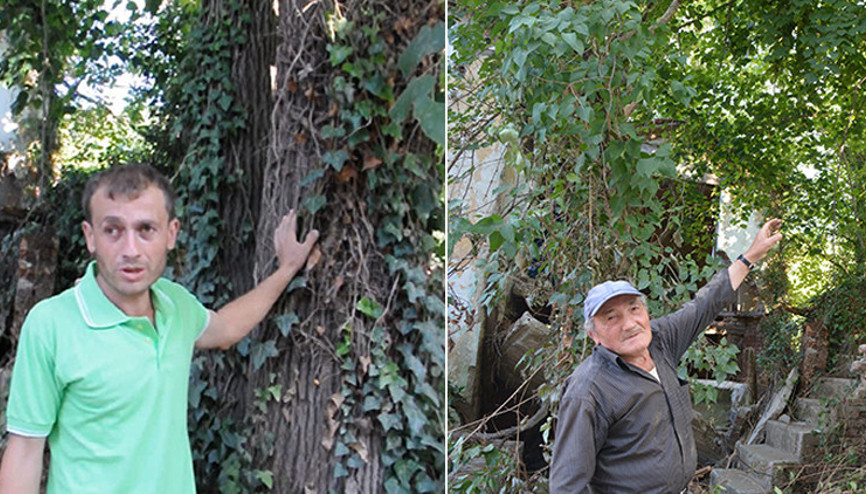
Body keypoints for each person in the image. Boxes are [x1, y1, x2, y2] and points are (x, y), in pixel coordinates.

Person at [0, 163, 319, 493]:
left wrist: (288, 269)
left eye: (146, 229)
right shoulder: (51, 324)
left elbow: (225, 329)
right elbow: (24, 451)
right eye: (113, 230)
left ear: (171, 233)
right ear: (90, 236)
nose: (131, 250)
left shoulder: (175, 303)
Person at [549, 218, 783, 494]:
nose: (629, 323)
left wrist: (751, 255)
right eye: (611, 317)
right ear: (594, 335)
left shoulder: (660, 340)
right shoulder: (588, 390)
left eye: (634, 309)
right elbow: (567, 486)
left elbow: (704, 304)